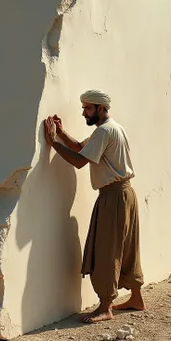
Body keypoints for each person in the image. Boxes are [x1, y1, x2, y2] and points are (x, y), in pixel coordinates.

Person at [44, 89, 145, 324]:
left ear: (100, 108)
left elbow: (79, 161)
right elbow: (80, 146)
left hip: (113, 196)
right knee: (127, 248)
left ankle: (105, 307)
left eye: (87, 109)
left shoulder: (104, 132)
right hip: (124, 194)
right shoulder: (112, 128)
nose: (83, 113)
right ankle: (136, 298)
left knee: (107, 250)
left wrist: (52, 143)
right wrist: (60, 133)